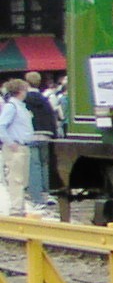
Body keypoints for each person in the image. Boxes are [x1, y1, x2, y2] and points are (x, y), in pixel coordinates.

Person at [21, 71, 56, 212]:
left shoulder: (24, 99)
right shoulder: (45, 98)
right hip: (46, 134)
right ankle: (46, 193)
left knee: (33, 166)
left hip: (31, 134)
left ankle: (36, 198)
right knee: (44, 165)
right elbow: (52, 116)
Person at [0, 79, 34, 218]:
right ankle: (15, 209)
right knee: (16, 179)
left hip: (23, 146)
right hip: (16, 147)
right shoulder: (11, 107)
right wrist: (10, 142)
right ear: (20, 91)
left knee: (23, 179)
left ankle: (20, 207)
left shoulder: (21, 106)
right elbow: (1, 125)